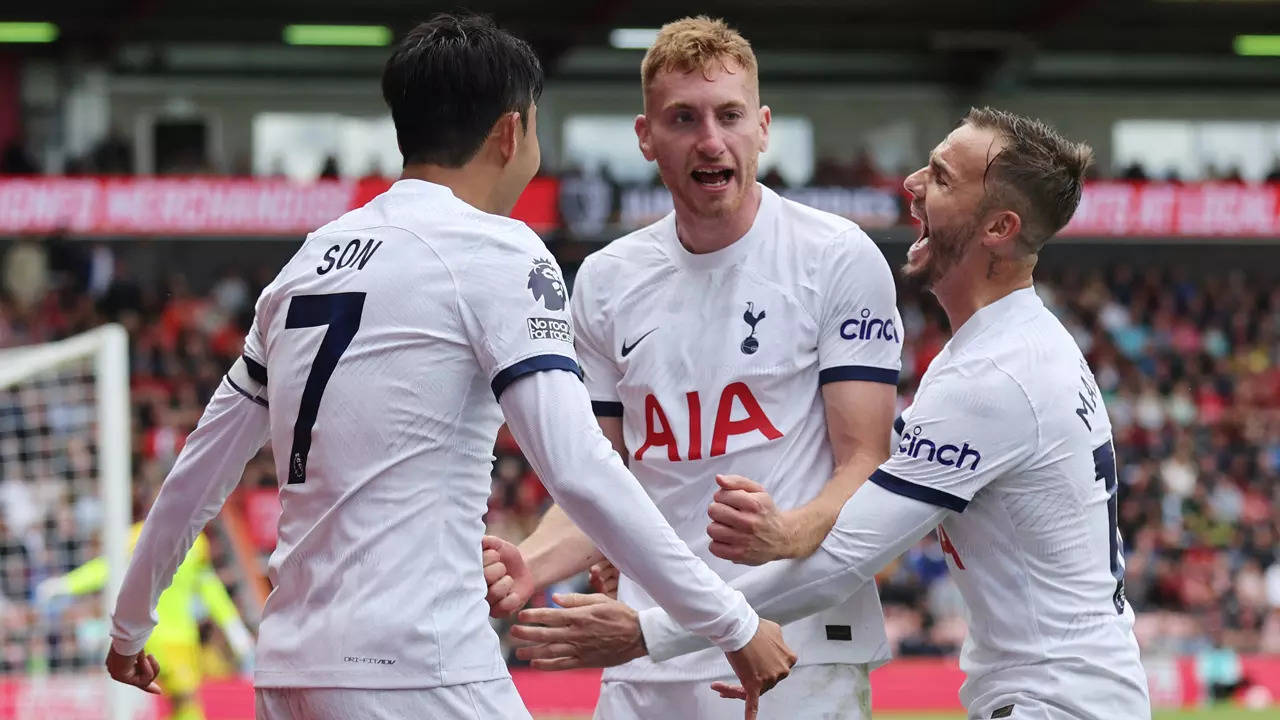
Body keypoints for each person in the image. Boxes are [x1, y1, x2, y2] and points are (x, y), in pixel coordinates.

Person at [104, 14, 794, 720]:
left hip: (289, 675)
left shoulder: (306, 262)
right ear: (509, 133)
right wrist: (731, 623)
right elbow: (581, 466)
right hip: (418, 668)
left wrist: (131, 622)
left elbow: (201, 466)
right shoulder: (497, 251)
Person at [503, 108, 1154, 719]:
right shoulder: (1016, 350)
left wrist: (650, 630)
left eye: (942, 177)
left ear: (998, 228)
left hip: (1055, 702)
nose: (912, 183)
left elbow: (842, 558)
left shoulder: (994, 377)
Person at [483, 16, 900, 720]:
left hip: (797, 648)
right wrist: (537, 560)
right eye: (684, 118)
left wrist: (790, 531)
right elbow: (601, 478)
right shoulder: (607, 281)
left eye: (729, 115)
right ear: (647, 138)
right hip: (645, 649)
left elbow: (867, 460)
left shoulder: (838, 255)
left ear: (762, 127)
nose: (711, 139)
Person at [37, 521, 252, 720]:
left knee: (181, 702)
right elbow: (107, 567)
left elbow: (208, 585)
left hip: (184, 637)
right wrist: (68, 584)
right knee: (184, 697)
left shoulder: (197, 542)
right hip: (151, 634)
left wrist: (233, 626)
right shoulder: (139, 535)